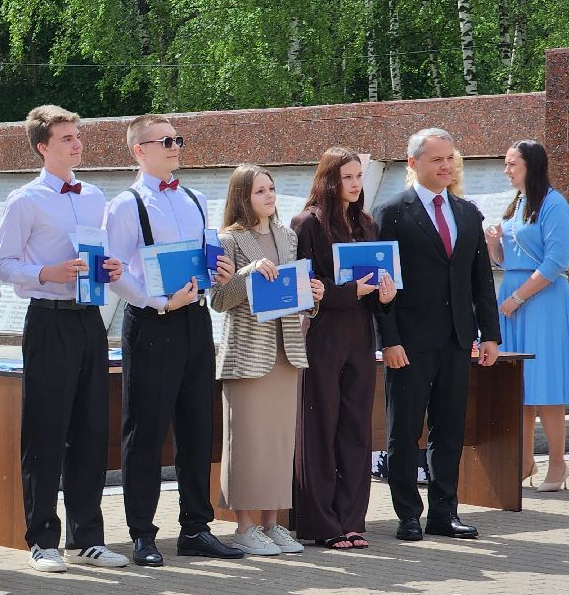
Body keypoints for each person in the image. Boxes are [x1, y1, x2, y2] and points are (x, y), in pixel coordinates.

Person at [0, 106, 129, 573]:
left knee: (92, 428)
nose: (76, 144)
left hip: (90, 319)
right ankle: (42, 539)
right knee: (46, 429)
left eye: (77, 136)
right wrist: (44, 272)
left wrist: (112, 268)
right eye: (66, 138)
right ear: (43, 147)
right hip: (48, 320)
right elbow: (2, 264)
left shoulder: (94, 196)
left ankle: (87, 536)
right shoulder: (24, 200)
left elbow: (103, 249)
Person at [104, 115, 241, 566]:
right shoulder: (126, 205)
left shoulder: (195, 198)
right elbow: (114, 274)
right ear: (138, 150)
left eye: (177, 139)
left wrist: (218, 272)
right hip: (152, 323)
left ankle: (196, 528)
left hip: (196, 321)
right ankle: (142, 532)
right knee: (145, 430)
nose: (175, 146)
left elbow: (207, 258)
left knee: (198, 427)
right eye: (165, 140)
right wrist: (158, 302)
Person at [375, 127, 500, 542]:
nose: (446, 166)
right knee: (404, 431)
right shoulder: (392, 212)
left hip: (457, 339)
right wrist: (388, 340)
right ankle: (408, 514)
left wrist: (489, 334)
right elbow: (380, 285)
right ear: (413, 164)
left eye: (450, 158)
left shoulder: (467, 212)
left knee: (450, 429)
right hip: (409, 341)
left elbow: (481, 280)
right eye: (436, 159)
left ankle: (444, 513)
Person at [210, 166, 323, 556]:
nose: (270, 196)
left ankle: (273, 525)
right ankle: (244, 528)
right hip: (248, 353)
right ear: (242, 196)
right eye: (261, 190)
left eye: (272, 189)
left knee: (277, 443)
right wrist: (248, 272)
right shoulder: (230, 240)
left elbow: (293, 293)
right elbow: (219, 300)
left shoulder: (287, 236)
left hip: (286, 351)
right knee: (247, 443)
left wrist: (314, 294)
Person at [292, 148, 397, 549]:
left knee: (355, 429)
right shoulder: (307, 224)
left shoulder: (367, 225)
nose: (355, 185)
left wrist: (385, 296)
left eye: (359, 177)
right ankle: (321, 523)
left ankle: (352, 520)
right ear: (328, 180)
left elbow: (373, 292)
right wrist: (352, 291)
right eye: (347, 177)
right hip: (321, 334)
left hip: (359, 336)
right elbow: (305, 291)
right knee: (319, 428)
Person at [485, 140, 569, 492]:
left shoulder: (554, 204)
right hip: (515, 297)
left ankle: (558, 465)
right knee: (519, 385)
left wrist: (517, 296)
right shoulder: (516, 204)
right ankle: (524, 460)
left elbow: (556, 261)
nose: (506, 169)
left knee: (545, 385)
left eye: (512, 163)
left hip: (542, 300)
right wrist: (494, 245)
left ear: (531, 164)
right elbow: (507, 259)